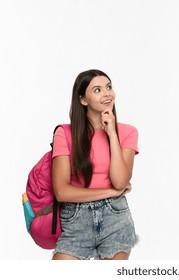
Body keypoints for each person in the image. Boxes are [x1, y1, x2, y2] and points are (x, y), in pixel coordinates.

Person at [51, 69, 139, 260]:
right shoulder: (64, 134)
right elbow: (62, 191)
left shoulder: (127, 132)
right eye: (97, 90)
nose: (107, 93)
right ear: (83, 100)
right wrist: (110, 192)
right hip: (75, 221)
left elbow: (120, 181)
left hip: (115, 218)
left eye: (108, 87)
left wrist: (112, 134)